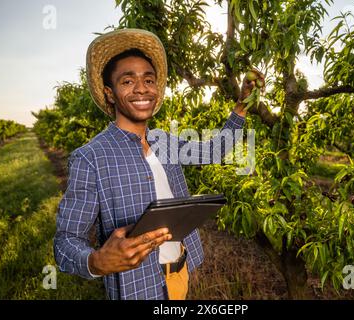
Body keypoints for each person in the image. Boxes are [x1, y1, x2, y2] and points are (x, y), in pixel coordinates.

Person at [53, 28, 264, 300]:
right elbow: (65, 241)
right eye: (127, 81)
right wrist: (96, 261)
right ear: (109, 93)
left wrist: (242, 105)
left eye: (149, 80)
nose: (142, 88)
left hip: (181, 273)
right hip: (138, 288)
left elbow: (215, 150)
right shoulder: (91, 158)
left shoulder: (164, 141)